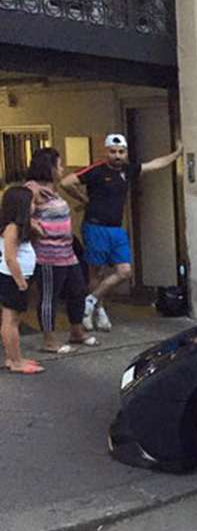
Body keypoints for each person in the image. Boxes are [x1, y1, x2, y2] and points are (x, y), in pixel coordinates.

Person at [60, 133, 182, 332]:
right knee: (96, 272)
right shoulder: (97, 170)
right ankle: (98, 310)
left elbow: (154, 164)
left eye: (121, 152)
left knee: (124, 271)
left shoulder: (128, 169)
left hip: (116, 228)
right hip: (95, 226)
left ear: (126, 152)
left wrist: (176, 154)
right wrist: (83, 199)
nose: (117, 156)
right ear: (106, 151)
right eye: (113, 152)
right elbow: (66, 182)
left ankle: (90, 301)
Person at [25, 148, 96, 353]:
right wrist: (34, 225)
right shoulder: (32, 189)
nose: (62, 168)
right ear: (50, 167)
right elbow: (22, 214)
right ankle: (49, 340)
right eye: (59, 164)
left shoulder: (53, 189)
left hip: (67, 252)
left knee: (77, 290)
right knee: (49, 296)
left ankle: (77, 331)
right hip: (47, 254)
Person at [1, 187, 42, 374]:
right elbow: (10, 257)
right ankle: (15, 361)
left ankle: (14, 356)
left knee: (14, 319)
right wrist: (20, 281)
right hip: (12, 278)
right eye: (32, 202)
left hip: (18, 277)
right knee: (10, 320)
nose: (35, 206)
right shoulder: (12, 228)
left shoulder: (21, 226)